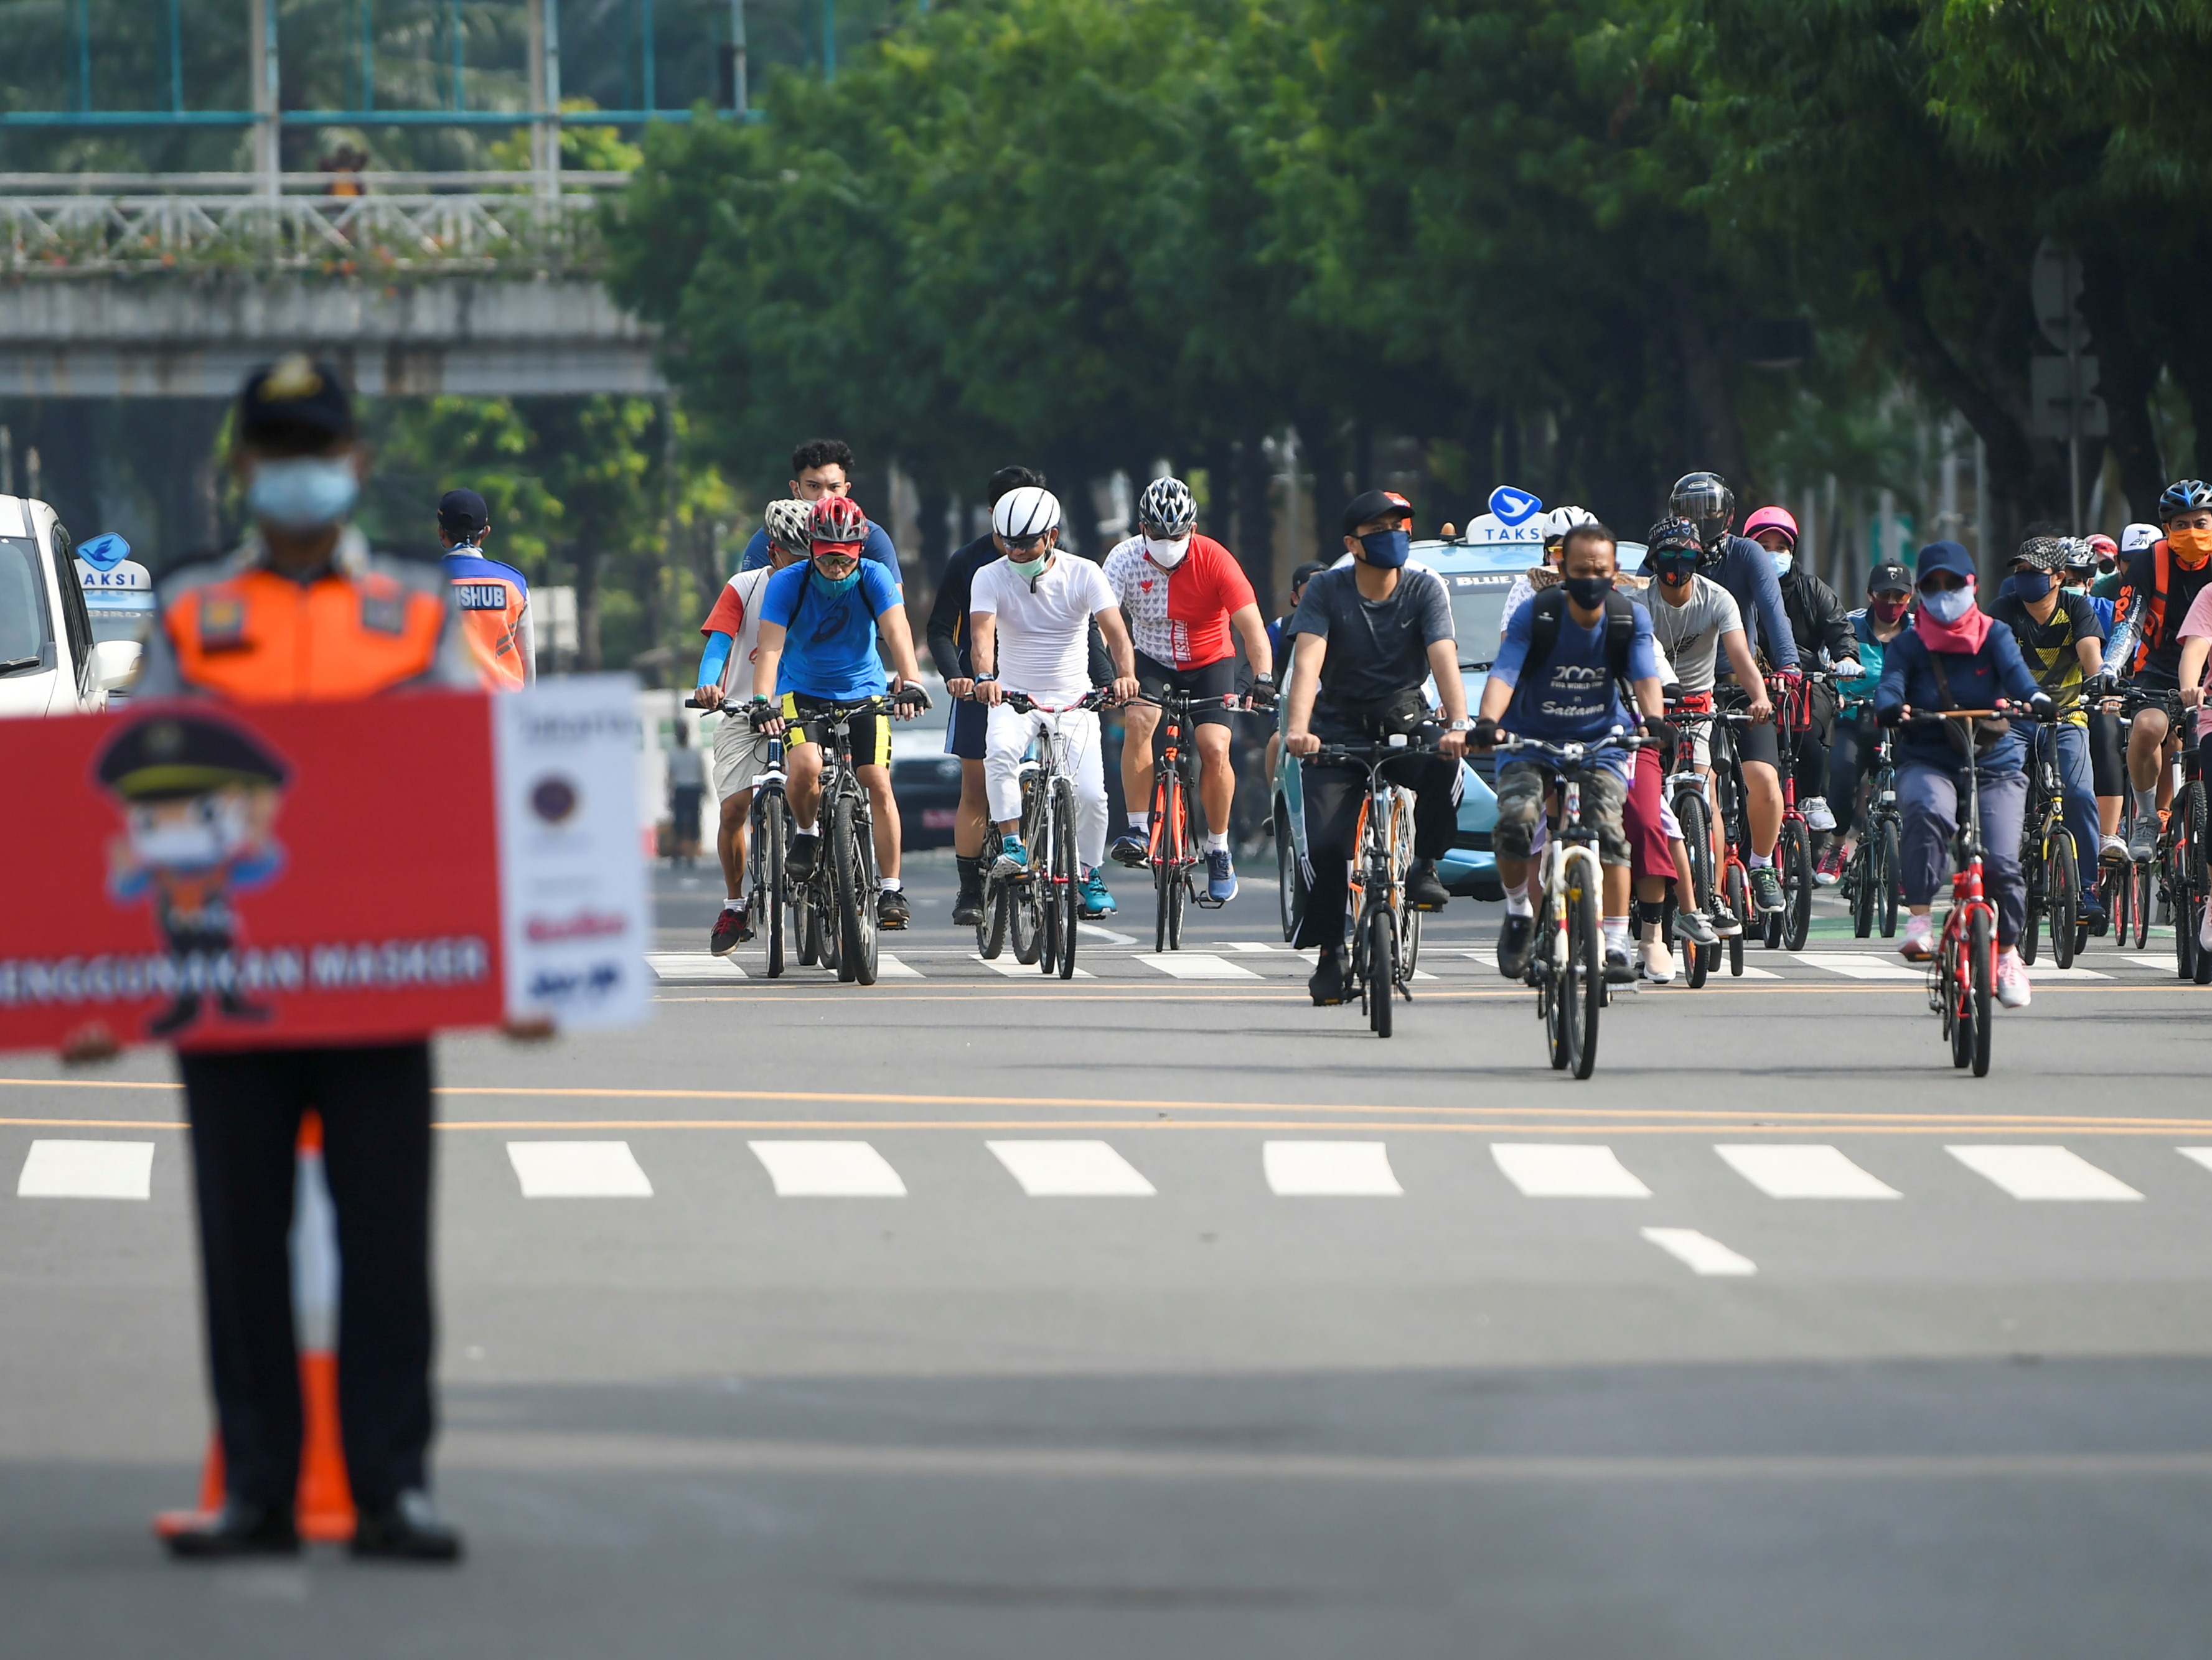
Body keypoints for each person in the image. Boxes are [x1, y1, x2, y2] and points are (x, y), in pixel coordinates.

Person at [115, 355, 480, 1560]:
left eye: (314, 449)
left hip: (382, 982)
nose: (297, 473)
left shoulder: (420, 615)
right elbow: (126, 798)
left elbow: (462, 793)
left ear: (356, 466)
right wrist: (97, 978)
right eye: (274, 452)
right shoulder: (188, 617)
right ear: (242, 470)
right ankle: (257, 1486)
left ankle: (392, 1486)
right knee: (239, 1239)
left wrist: (513, 968)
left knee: (388, 1245)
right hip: (233, 980)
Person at [1281, 489, 1468, 1005]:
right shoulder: (1325, 592)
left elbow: (1443, 659)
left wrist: (1459, 722)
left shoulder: (1425, 589)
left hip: (1403, 717)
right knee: (1323, 847)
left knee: (1447, 766)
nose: (1395, 537)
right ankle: (1329, 952)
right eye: (1381, 529)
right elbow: (1307, 666)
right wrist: (1300, 730)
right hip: (1335, 725)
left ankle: (1425, 863)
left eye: (1401, 527)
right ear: (1353, 543)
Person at [1476, 520, 1665, 985]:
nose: (1591, 578)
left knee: (1609, 833)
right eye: (1580, 569)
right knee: (1516, 822)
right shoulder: (1537, 615)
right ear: (1562, 567)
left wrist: (1656, 722)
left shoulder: (1627, 618)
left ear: (1615, 570)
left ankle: (1617, 943)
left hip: (1603, 739)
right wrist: (1487, 723)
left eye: (1600, 569)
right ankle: (1520, 912)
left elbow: (1644, 677)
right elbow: (1504, 672)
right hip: (1530, 739)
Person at [1873, 540, 2053, 1006]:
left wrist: (2035, 699)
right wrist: (1892, 705)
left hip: (1993, 762)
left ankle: (2008, 953)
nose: (1944, 593)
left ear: (1972, 586)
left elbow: (2018, 677)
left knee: (2001, 862)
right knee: (1925, 812)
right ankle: (1918, 920)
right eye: (1932, 585)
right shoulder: (1910, 642)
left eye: (1953, 584)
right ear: (1920, 592)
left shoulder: (1994, 635)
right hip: (1928, 756)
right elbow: (1890, 682)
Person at [748, 494, 930, 931]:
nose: (836, 567)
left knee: (877, 782)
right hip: (803, 690)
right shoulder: (787, 583)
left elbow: (897, 629)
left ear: (858, 551)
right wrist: (761, 701)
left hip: (864, 690)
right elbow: (770, 648)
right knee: (806, 765)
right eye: (828, 557)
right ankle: (808, 834)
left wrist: (913, 680)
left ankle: (890, 888)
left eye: (845, 558)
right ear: (811, 548)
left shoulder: (875, 576)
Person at [966, 487, 1139, 914]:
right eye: (1010, 542)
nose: (1019, 551)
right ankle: (1012, 843)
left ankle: (1088, 871)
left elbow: (1116, 634)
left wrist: (1126, 677)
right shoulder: (989, 576)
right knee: (1002, 754)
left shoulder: (1084, 574)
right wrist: (986, 677)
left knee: (1093, 796)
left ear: (1053, 536)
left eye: (1027, 542)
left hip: (1074, 700)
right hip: (1014, 695)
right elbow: (982, 637)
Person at [1104, 476, 1275, 903]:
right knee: (1140, 719)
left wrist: (1264, 678)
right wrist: (1106, 675)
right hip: (1152, 658)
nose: (1166, 543)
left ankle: (1218, 847)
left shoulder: (1215, 559)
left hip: (1210, 660)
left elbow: (1252, 627)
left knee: (1215, 746)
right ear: (1142, 528)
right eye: (1157, 534)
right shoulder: (1123, 559)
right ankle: (1139, 827)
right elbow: (1101, 623)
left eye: (1176, 535)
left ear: (1192, 530)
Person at [1669, 472, 1801, 914]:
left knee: (1763, 780)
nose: (1700, 521)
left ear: (1726, 517)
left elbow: (1772, 611)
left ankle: (1762, 865)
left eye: (1709, 511)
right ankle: (1702, 877)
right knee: (1699, 789)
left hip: (1742, 687)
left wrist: (1787, 667)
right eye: (1690, 512)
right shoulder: (1670, 554)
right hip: (1685, 691)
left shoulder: (1746, 555)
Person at [1636, 516, 1768, 939]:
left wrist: (1760, 697)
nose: (1678, 567)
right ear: (1654, 563)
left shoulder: (1719, 599)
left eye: (1688, 557)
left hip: (1698, 708)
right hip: (1651, 708)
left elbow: (1742, 659)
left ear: (1701, 559)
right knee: (1648, 798)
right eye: (1669, 558)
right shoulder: (1640, 604)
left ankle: (1709, 896)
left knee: (1705, 792)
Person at [928, 466, 1048, 926]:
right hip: (982, 689)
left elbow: (1087, 628)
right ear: (994, 513)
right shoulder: (968, 561)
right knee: (976, 786)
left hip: (1042, 683)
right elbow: (940, 628)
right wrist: (957, 675)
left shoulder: (1055, 557)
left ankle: (1065, 869)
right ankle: (970, 887)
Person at [692, 500, 811, 952]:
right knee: (733, 811)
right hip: (745, 709)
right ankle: (736, 902)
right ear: (772, 551)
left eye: (810, 555)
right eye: (794, 556)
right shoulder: (743, 587)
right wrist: (708, 685)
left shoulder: (824, 584)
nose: (804, 566)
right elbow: (719, 645)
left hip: (803, 709)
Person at [1990, 537, 2107, 930]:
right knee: (2002, 791)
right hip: (2014, 719)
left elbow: (2091, 652)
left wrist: (2100, 686)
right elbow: (1990, 657)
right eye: (2019, 571)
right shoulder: (2004, 609)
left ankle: (2087, 889)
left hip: (2068, 717)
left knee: (2079, 794)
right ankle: (1999, 876)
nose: (2024, 578)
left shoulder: (2077, 608)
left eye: (2034, 572)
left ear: (2059, 577)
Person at [2103, 481, 2212, 858]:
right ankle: (2149, 817)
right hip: (2159, 668)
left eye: (2201, 522)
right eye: (2181, 525)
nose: (2192, 533)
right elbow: (2129, 620)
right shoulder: (2151, 560)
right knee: (2150, 728)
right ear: (2167, 529)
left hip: (2210, 671)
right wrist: (2109, 667)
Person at [1745, 505, 1860, 837]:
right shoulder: (1738, 591)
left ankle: (1812, 796)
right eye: (1763, 548)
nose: (1773, 555)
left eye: (1780, 548)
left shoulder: (1813, 589)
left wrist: (1847, 658)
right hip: (1753, 684)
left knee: (1809, 729)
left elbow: (1840, 631)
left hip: (1807, 682)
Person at [1819, 563, 1914, 884]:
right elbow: (1825, 663)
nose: (1891, 602)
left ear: (1910, 597)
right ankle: (1836, 847)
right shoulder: (1849, 626)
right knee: (1843, 776)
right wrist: (1836, 691)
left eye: (1898, 596)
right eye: (1883, 595)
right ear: (1869, 595)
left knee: (1917, 782)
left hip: (1902, 722)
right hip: (1855, 716)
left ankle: (1905, 855)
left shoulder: (1920, 633)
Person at [736, 439, 899, 573]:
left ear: (845, 490)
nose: (824, 497)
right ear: (796, 489)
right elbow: (750, 598)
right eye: (814, 486)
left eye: (834, 487)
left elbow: (895, 603)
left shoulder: (873, 537)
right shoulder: (770, 537)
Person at [436, 487, 535, 691]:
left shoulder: (424, 583)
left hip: (444, 708)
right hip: (503, 709)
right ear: (486, 532)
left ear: (441, 532)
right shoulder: (514, 584)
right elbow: (528, 664)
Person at [1262, 560, 1330, 790]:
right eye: (1311, 592)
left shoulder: (1347, 624)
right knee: (1275, 743)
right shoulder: (1281, 628)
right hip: (1292, 706)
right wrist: (1255, 684)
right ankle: (1276, 804)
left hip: (1336, 706)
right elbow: (1261, 659)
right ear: (1295, 599)